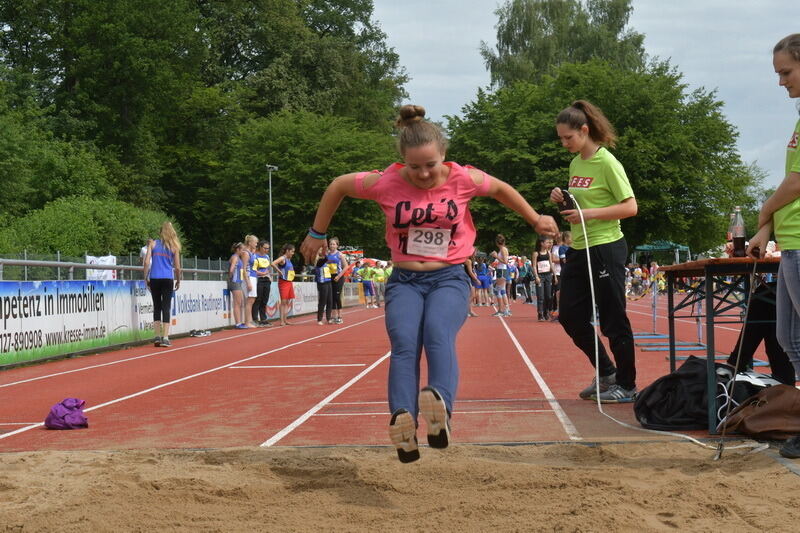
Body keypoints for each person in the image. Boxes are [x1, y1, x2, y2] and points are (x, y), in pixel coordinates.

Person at [299, 104, 557, 462]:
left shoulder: (464, 178)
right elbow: (339, 185)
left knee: (437, 333)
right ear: (402, 161)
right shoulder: (386, 182)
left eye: (431, 165)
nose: (422, 174)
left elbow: (500, 189)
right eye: (414, 166)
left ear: (444, 155)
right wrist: (317, 232)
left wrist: (534, 218)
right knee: (404, 343)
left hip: (449, 276)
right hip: (405, 280)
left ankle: (440, 415)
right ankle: (403, 422)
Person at [550, 99, 638, 403]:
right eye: (560, 138)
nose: (564, 143)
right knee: (570, 316)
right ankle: (606, 372)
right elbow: (582, 202)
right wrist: (563, 198)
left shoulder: (607, 162)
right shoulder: (576, 163)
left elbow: (630, 206)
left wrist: (586, 215)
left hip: (606, 247)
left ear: (585, 130)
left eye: (568, 138)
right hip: (579, 247)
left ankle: (627, 384)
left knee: (614, 319)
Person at [746, 33, 800, 458]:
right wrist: (766, 229)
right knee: (787, 336)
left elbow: (797, 182)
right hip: (790, 242)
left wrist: (764, 211)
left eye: (787, 72)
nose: (781, 81)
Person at [143, 222, 182, 347]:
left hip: (154, 278)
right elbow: (177, 267)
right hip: (167, 278)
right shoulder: (174, 247)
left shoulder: (153, 244)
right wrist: (178, 280)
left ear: (160, 233)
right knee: (166, 306)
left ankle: (157, 336)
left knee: (156, 306)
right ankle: (165, 337)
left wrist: (145, 278)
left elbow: (146, 262)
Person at [272, 244, 296, 326]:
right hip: (283, 282)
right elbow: (273, 263)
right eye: (292, 251)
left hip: (289, 282)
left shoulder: (289, 259)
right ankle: (282, 321)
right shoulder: (283, 258)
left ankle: (285, 319)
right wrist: (278, 271)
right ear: (287, 251)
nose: (293, 253)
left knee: (287, 301)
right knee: (283, 301)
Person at [326, 237, 349, 324]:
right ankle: (333, 316)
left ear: (337, 245)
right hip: (329, 277)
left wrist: (339, 276)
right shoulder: (327, 255)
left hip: (338, 277)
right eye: (331, 244)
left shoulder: (340, 254)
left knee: (337, 297)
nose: (332, 245)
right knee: (331, 297)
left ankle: (340, 316)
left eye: (334, 244)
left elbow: (346, 266)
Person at [533, 236, 553, 321]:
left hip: (548, 276)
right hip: (540, 276)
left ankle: (546, 312)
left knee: (548, 296)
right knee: (541, 296)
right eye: (547, 242)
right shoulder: (536, 253)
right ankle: (540, 313)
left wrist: (554, 276)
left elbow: (551, 264)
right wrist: (536, 276)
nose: (549, 244)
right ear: (542, 243)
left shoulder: (549, 253)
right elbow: (534, 266)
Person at [253, 240, 273, 326]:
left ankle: (263, 319)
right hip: (258, 279)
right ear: (260, 247)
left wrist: (269, 276)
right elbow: (253, 269)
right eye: (265, 248)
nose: (267, 250)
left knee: (265, 300)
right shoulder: (254, 256)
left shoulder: (267, 257)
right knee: (258, 299)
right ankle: (255, 319)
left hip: (266, 280)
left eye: (268, 248)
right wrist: (262, 273)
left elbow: (268, 268)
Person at [228, 242, 247, 329]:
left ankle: (240, 322)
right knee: (237, 303)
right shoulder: (235, 257)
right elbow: (231, 269)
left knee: (241, 302)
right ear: (237, 249)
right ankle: (238, 323)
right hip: (235, 282)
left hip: (238, 282)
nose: (243, 251)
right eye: (242, 249)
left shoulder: (238, 258)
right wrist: (230, 278)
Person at [491, 234, 511, 317]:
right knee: (501, 290)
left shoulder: (503, 249)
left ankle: (503, 310)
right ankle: (504, 309)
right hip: (500, 270)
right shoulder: (502, 249)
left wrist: (496, 257)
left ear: (497, 242)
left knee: (499, 290)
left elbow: (506, 261)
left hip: (502, 270)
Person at [314, 246, 334, 325]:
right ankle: (319, 319)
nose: (323, 251)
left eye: (323, 250)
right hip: (322, 282)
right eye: (321, 250)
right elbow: (324, 260)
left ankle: (329, 318)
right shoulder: (318, 260)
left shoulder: (325, 261)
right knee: (323, 301)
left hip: (328, 281)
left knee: (330, 300)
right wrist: (327, 254)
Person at [243, 235, 259, 328]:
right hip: (249, 278)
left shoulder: (251, 252)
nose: (256, 244)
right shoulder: (246, 253)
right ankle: (247, 322)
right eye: (255, 242)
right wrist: (248, 282)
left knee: (252, 300)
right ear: (250, 243)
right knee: (250, 300)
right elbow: (244, 269)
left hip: (253, 277)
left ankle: (249, 320)